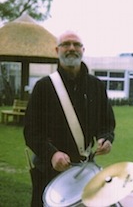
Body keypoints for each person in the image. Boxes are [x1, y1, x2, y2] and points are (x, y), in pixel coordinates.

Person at [24, 31, 116, 207]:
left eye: (76, 44)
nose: (71, 48)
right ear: (57, 50)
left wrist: (106, 138)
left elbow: (107, 122)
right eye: (66, 44)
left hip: (84, 170)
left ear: (83, 50)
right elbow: (31, 131)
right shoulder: (44, 86)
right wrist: (52, 154)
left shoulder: (96, 86)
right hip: (49, 171)